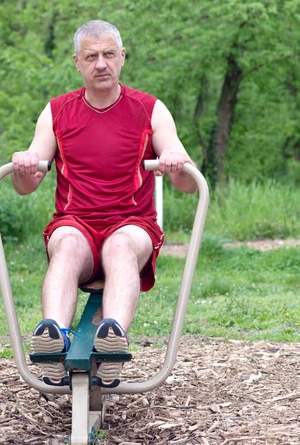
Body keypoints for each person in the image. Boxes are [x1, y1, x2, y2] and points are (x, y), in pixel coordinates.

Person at [11, 20, 197, 388]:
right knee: (65, 246)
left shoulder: (150, 110)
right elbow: (25, 186)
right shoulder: (56, 112)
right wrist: (24, 164)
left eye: (109, 54)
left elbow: (188, 185)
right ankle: (53, 339)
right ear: (77, 62)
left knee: (121, 246)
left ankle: (112, 342)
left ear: (122, 58)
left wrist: (177, 161)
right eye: (91, 56)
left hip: (132, 223)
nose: (101, 64)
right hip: (75, 222)